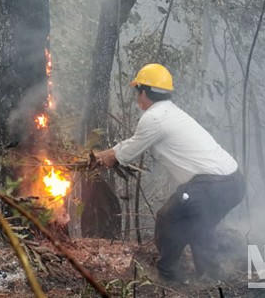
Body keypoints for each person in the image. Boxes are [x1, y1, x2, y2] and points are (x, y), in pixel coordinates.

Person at [94, 63, 244, 282]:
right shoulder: (170, 112)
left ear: (144, 92)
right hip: (234, 183)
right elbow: (130, 145)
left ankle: (168, 276)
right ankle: (211, 278)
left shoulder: (154, 118)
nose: (137, 97)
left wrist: (101, 158)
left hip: (211, 185)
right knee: (198, 225)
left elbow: (127, 152)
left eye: (137, 91)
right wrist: (105, 155)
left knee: (168, 218)